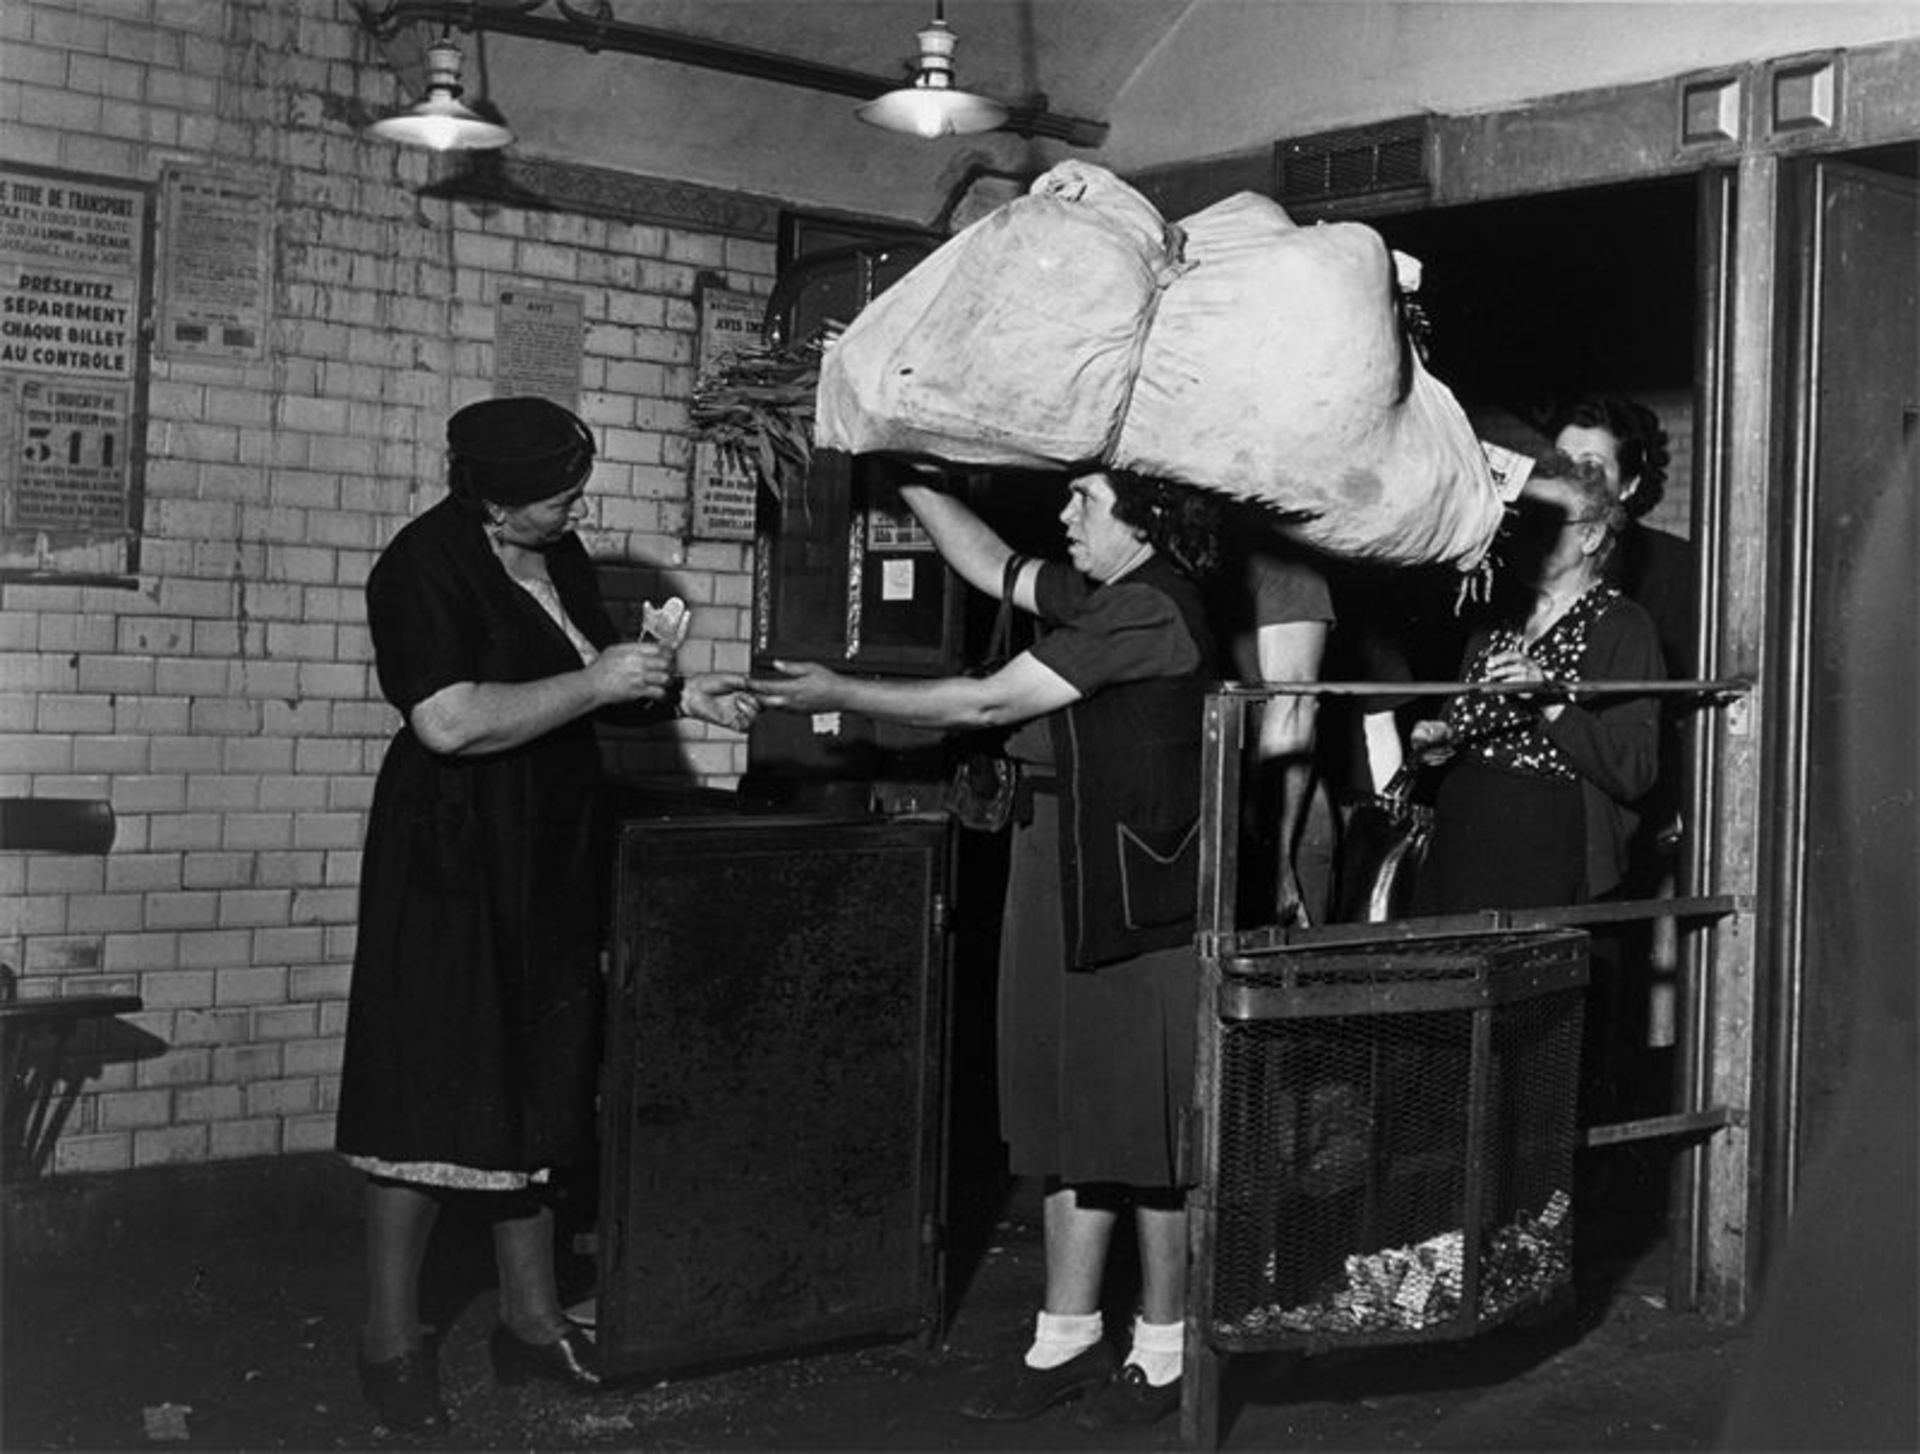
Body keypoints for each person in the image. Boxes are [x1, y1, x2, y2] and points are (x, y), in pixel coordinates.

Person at [750, 467, 1220, 1431]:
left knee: (1141, 1128)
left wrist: (836, 689)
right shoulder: (1109, 591)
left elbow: (987, 704)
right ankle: (1066, 1337)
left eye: (1083, 501)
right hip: (1057, 862)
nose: (1063, 514)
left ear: (1146, 517)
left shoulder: (1153, 611)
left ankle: (1165, 1353)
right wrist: (901, 473)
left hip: (1128, 892)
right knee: (1060, 1112)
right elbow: (991, 563)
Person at [334, 396, 755, 1434]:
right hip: (454, 851)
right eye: (558, 493)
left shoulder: (555, 554)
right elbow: (447, 719)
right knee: (432, 1087)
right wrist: (597, 678)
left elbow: (588, 674)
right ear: (491, 495)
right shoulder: (419, 565)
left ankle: (529, 1321)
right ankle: (389, 1340)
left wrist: (676, 694)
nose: (577, 504)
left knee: (542, 1076)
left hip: (549, 846)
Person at [1408, 455, 1663, 915]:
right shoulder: (1497, 613)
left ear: (1591, 535)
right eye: (1523, 521)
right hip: (1462, 838)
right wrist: (1439, 741)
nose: (1524, 536)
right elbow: (1458, 718)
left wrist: (1550, 702)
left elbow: (1634, 769)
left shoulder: (1624, 625)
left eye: (1547, 524)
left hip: (1546, 843)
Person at [1212, 518, 1336, 927]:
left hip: (1278, 818)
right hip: (1216, 803)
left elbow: (1295, 703)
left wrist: (1276, 864)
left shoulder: (1284, 561)